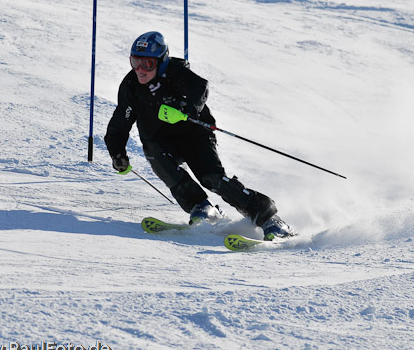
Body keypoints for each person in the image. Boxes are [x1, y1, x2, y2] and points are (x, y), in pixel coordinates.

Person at [104, 31, 294, 240]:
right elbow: (120, 122)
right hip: (162, 142)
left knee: (211, 178)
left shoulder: (176, 72)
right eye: (135, 62)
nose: (140, 70)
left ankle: (270, 219)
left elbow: (200, 88)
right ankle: (201, 207)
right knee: (152, 150)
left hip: (194, 136)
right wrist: (117, 152)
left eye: (147, 64)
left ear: (161, 61)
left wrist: (183, 107)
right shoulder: (131, 86)